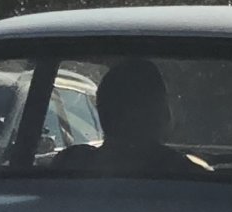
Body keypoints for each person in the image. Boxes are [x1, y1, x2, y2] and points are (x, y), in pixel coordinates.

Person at [51, 59, 210, 176]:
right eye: (166, 100)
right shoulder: (187, 176)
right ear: (160, 113)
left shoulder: (67, 166)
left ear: (103, 111)